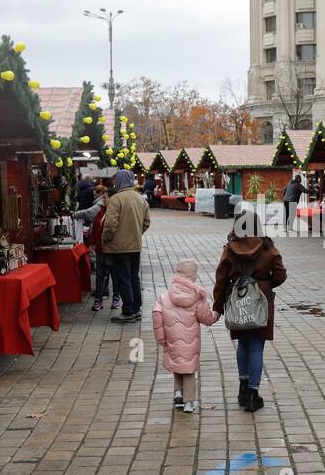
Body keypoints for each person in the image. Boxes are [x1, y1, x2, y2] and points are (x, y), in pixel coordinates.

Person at [213, 211, 287, 412]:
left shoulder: (230, 249)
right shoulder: (268, 247)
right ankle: (254, 394)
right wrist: (265, 284)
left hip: (237, 298)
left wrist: (217, 307)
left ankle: (242, 388)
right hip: (260, 299)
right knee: (256, 347)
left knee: (242, 343)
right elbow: (280, 274)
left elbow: (220, 279)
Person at [151, 259, 219, 415]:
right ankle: (189, 402)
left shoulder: (164, 297)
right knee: (188, 370)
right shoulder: (198, 298)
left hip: (171, 341)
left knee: (177, 366)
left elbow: (157, 316)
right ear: (194, 277)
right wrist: (217, 314)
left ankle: (178, 394)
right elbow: (207, 319)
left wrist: (161, 338)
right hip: (190, 343)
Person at [102, 169, 150, 323]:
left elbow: (110, 224)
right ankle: (136, 309)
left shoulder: (116, 199)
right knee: (134, 277)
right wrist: (136, 233)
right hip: (135, 245)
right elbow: (147, 222)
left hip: (119, 247)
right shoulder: (140, 199)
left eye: (116, 180)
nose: (114, 182)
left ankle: (128, 310)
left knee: (123, 278)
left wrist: (107, 238)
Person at [72, 185, 115, 311]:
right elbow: (95, 227)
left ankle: (114, 298)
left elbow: (109, 228)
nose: (103, 198)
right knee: (101, 273)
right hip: (101, 247)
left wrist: (104, 240)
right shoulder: (101, 209)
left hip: (110, 247)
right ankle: (99, 299)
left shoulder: (110, 209)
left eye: (106, 196)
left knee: (111, 273)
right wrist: (93, 242)